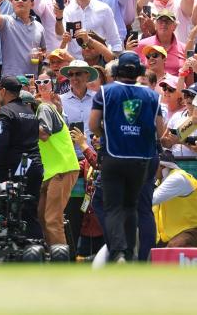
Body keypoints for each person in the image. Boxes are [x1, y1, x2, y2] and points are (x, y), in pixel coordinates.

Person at [89, 52, 164, 262]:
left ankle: (118, 252)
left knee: (113, 206)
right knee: (132, 206)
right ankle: (130, 254)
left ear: (116, 71)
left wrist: (108, 134)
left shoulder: (105, 92)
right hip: (140, 160)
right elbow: (160, 130)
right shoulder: (152, 95)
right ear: (139, 71)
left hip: (113, 157)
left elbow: (93, 125)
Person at [0, 77, 43, 248]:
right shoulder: (29, 112)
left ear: (3, 91)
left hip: (14, 170)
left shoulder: (5, 112)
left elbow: (0, 146)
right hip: (34, 167)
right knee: (29, 214)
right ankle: (37, 253)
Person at [35, 89, 80, 247]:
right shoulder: (40, 112)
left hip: (63, 168)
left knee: (53, 219)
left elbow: (44, 134)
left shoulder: (44, 108)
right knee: (41, 215)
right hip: (50, 172)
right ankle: (50, 255)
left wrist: (23, 125)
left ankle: (61, 263)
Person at [153, 151, 197, 248]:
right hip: (167, 237)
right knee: (151, 255)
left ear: (163, 167)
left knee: (175, 246)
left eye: (152, 165)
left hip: (192, 230)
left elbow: (151, 199)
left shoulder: (178, 178)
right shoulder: (159, 182)